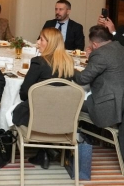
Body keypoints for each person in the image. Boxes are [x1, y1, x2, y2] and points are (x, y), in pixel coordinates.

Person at [12, 28, 76, 167]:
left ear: (50, 43)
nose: (37, 42)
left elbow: (24, 94)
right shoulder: (69, 63)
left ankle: (43, 152)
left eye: (41, 39)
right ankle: (47, 151)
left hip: (37, 120)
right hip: (63, 119)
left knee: (15, 109)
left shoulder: (38, 62)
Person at [73, 25, 124, 128]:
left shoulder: (100, 54)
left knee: (71, 99)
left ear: (94, 44)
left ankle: (76, 133)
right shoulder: (122, 49)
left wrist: (68, 69)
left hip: (110, 107)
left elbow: (82, 79)